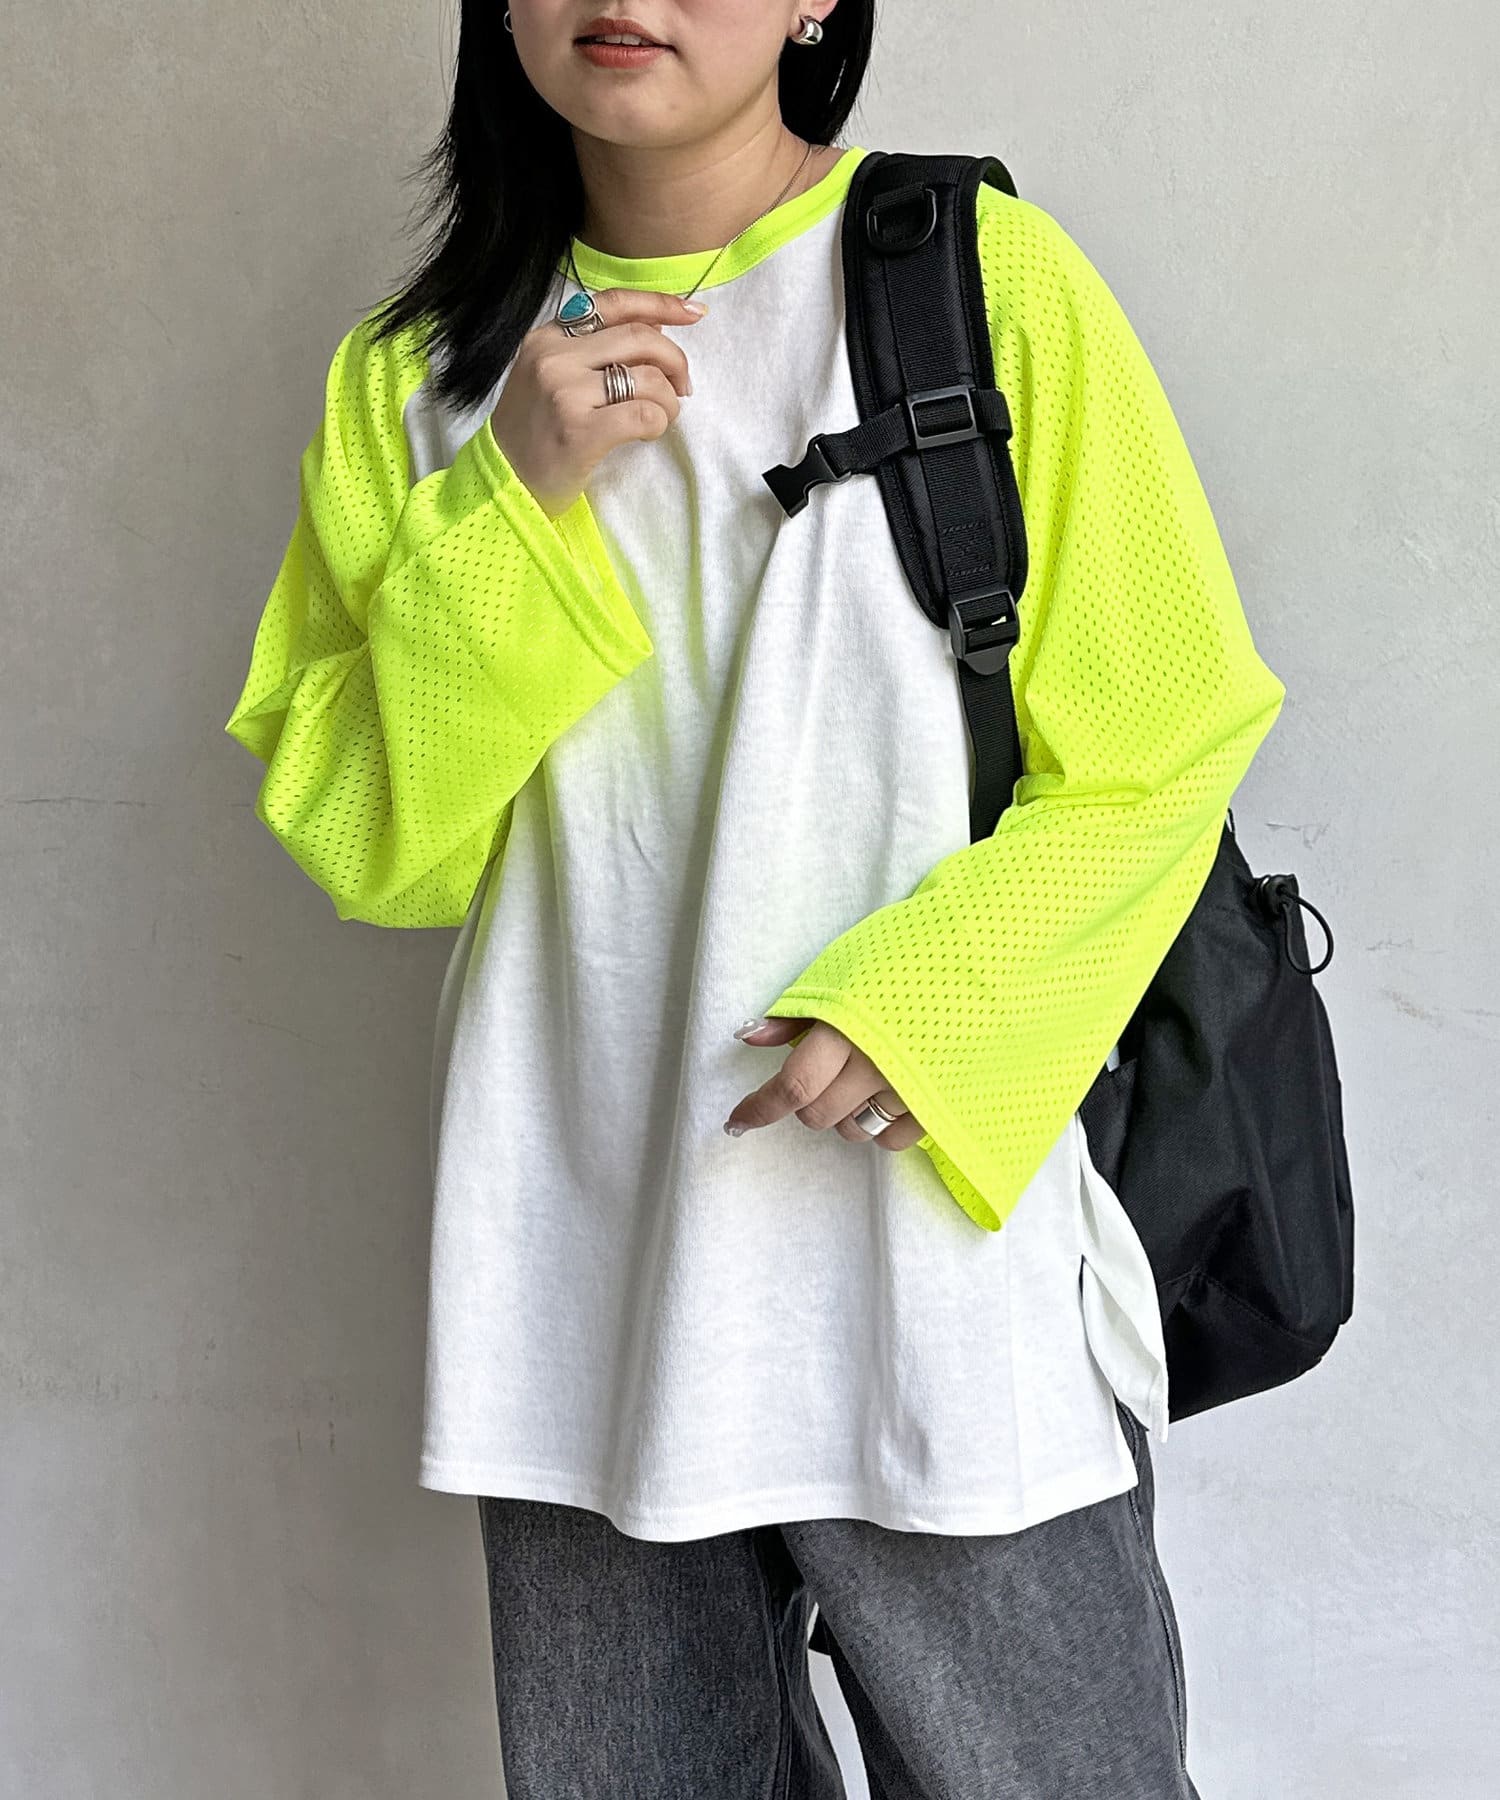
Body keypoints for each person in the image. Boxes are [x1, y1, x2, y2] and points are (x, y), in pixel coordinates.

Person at [224, 2, 1286, 1794]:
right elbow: (371, 835)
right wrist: (518, 499)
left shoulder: (981, 281)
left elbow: (1165, 738)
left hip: (929, 1262)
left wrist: (929, 1002)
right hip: (578, 1271)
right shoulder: (417, 377)